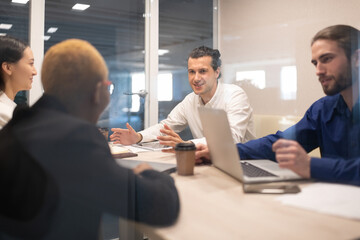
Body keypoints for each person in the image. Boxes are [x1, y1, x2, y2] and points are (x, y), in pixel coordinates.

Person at [0, 39, 179, 239]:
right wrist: (152, 174)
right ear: (97, 92)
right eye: (108, 87)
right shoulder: (74, 138)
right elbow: (161, 206)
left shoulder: (20, 124)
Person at [196, 25, 360, 186]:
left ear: (357, 58)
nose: (318, 70)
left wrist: (310, 165)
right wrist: (224, 152)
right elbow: (279, 142)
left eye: (327, 59)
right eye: (315, 63)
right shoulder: (322, 109)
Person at [110, 46, 255, 148]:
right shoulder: (190, 100)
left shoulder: (235, 95)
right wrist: (139, 137)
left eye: (202, 71)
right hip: (207, 160)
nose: (196, 78)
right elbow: (166, 126)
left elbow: (232, 139)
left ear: (217, 72)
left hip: (242, 162)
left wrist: (187, 145)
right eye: (192, 72)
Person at [0, 36, 37, 129]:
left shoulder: (9, 108)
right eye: (31, 64)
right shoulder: (4, 113)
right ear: (8, 68)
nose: (35, 72)